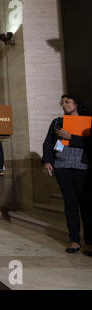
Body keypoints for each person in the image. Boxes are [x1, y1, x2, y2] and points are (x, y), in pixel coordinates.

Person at [42, 94, 92, 256]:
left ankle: (90, 242)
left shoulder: (87, 121)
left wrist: (72, 138)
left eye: (68, 102)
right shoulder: (58, 122)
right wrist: (48, 161)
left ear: (76, 103)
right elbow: (48, 142)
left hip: (83, 167)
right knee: (70, 204)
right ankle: (74, 240)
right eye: (63, 103)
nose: (64, 105)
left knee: (86, 205)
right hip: (62, 166)